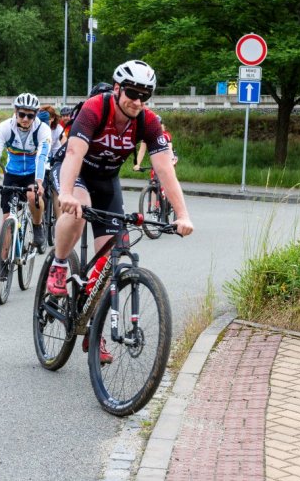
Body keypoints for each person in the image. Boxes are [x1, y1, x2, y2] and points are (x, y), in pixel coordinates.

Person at [47, 60, 194, 363]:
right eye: (131, 93)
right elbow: (74, 152)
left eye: (144, 96)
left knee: (111, 258)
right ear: (117, 89)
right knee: (78, 210)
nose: (137, 101)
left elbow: (165, 168)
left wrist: (182, 214)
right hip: (74, 172)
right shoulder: (94, 109)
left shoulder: (148, 121)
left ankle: (94, 328)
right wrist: (64, 194)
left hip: (107, 180)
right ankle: (60, 264)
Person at [0, 93, 52, 255]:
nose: (26, 119)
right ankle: (2, 264)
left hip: (33, 173)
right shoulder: (5, 127)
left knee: (32, 195)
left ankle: (37, 225)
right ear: (15, 112)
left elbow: (42, 157)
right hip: (12, 173)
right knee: (7, 217)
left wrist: (39, 181)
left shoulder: (43, 130)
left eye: (30, 115)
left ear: (35, 115)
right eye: (22, 114)